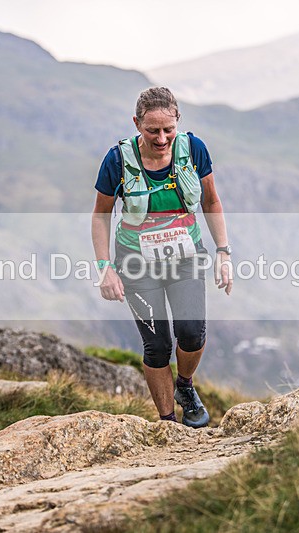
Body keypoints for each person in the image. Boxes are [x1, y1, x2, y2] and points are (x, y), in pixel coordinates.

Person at [91, 87, 232, 428]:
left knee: (191, 333)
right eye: (152, 130)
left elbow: (211, 203)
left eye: (168, 129)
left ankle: (185, 385)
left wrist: (223, 253)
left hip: (185, 256)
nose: (161, 138)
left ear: (177, 121)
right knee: (157, 345)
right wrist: (105, 268)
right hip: (136, 263)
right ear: (136, 123)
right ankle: (168, 423)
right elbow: (100, 215)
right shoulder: (117, 160)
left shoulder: (193, 149)